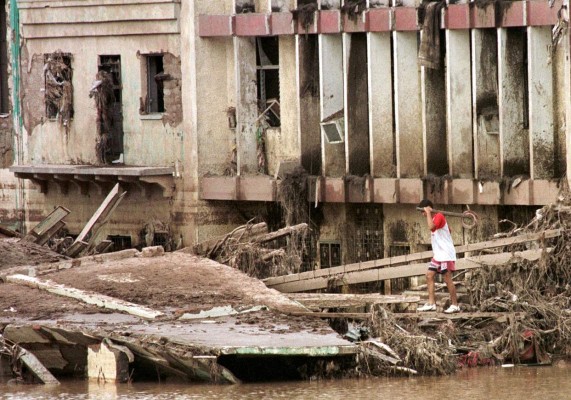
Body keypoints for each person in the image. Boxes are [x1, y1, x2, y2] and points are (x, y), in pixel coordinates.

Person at [416, 199, 461, 313]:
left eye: (423, 211)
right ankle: (431, 303)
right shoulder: (435, 218)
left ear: (428, 208)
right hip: (438, 254)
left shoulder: (439, 216)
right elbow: (448, 230)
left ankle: (455, 305)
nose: (422, 214)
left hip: (446, 254)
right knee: (429, 275)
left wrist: (428, 213)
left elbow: (431, 227)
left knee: (447, 278)